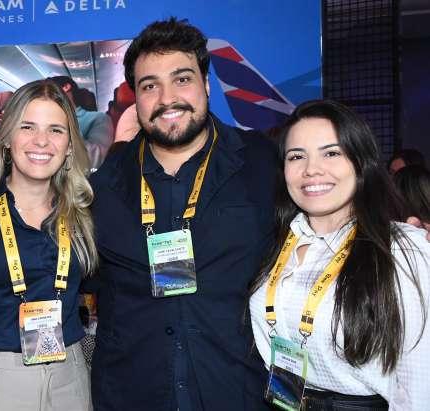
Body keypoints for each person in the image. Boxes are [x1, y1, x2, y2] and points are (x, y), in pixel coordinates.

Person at [89, 18, 276, 410]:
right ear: (136, 99)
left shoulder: (263, 164)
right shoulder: (104, 185)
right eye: (150, 86)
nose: (167, 98)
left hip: (236, 391)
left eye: (182, 79)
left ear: (205, 84)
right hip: (133, 396)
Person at [249, 100, 430, 410]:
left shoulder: (402, 250)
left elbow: (420, 382)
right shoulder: (276, 243)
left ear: (361, 162)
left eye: (331, 153)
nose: (311, 169)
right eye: (297, 156)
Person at [0, 79, 97, 411]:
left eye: (56, 130)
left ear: (70, 145)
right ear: (7, 138)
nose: (41, 141)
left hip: (70, 379)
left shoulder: (85, 210)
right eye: (27, 126)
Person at [49, 76, 114, 170]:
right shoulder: (42, 120)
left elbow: (97, 159)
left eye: (49, 90)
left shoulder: (98, 118)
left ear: (66, 87)